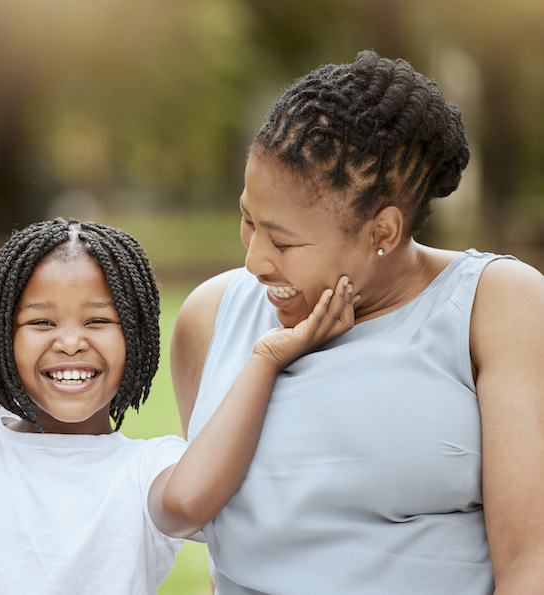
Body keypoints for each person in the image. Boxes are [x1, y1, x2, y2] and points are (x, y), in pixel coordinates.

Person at [0, 217, 356, 594]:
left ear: (138, 338)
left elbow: (188, 504)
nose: (70, 342)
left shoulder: (149, 468)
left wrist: (265, 359)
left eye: (98, 321)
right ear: (2, 336)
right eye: (42, 322)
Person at [171, 49, 544, 594]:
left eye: (284, 240)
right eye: (248, 220)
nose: (254, 261)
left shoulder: (498, 306)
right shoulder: (210, 317)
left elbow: (529, 565)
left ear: (383, 232)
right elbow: (218, 545)